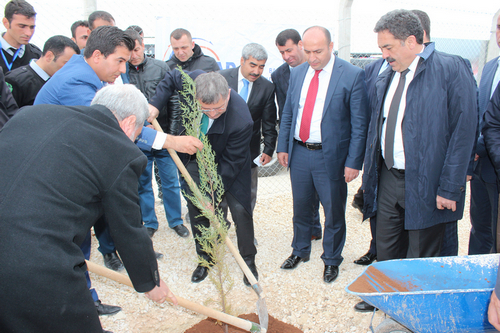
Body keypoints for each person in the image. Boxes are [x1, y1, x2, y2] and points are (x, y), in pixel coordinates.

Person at [34, 25, 202, 316]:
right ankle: (80, 307)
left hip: (71, 167)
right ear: (97, 55)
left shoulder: (87, 71)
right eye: (120, 61)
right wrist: (171, 141)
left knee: (79, 243)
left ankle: (86, 300)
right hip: (53, 179)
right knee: (73, 244)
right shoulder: (77, 83)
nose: (124, 68)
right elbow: (111, 129)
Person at [0, 84, 179, 333]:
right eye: (138, 134)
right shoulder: (120, 151)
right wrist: (150, 282)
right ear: (129, 123)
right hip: (32, 263)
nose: (135, 140)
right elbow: (127, 228)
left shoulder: (31, 114)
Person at [359, 8, 477, 309]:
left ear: (411, 41)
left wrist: (450, 188)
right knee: (385, 246)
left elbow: (463, 132)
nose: (384, 54)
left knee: (422, 251)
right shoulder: (389, 74)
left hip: (427, 181)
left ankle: (417, 308)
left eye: (388, 47)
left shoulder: (451, 69)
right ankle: (386, 299)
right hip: (388, 177)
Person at [276, 26, 369, 283]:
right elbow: (288, 113)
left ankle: (331, 259)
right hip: (300, 152)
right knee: (301, 206)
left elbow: (360, 124)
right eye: (307, 51)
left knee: (333, 211)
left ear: (331, 46)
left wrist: (353, 162)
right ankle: (300, 250)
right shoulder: (297, 73)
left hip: (333, 157)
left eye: (318, 51)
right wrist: (283, 146)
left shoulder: (352, 75)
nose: (312, 57)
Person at [149, 70, 258, 286]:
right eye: (205, 109)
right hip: (194, 157)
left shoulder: (241, 120)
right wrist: (155, 104)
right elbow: (171, 78)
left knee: (240, 211)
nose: (212, 114)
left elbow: (230, 166)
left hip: (229, 163)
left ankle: (248, 260)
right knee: (197, 208)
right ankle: (205, 259)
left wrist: (213, 194)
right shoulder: (196, 80)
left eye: (218, 108)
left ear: (227, 94)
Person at [125, 29, 189, 239]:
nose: (133, 55)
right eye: (129, 51)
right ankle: (150, 222)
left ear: (143, 46)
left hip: (163, 137)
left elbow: (173, 101)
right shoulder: (121, 72)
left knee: (170, 181)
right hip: (138, 139)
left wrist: (169, 135)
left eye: (136, 49)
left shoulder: (160, 68)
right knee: (143, 183)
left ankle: (176, 221)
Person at [272, 28, 322, 241]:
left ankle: (316, 227)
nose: (286, 57)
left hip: (321, 141)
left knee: (321, 190)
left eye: (289, 50)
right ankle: (311, 230)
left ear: (301, 45)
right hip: (298, 142)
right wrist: (282, 146)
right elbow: (285, 113)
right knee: (303, 192)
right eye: (282, 52)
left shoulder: (323, 67)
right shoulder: (279, 75)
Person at [219, 43, 277, 215]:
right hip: (221, 149)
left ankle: (246, 231)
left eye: (261, 67)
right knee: (218, 192)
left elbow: (269, 122)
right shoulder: (221, 79)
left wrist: (268, 149)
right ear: (242, 60)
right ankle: (219, 229)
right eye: (253, 65)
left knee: (248, 193)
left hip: (248, 151)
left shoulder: (267, 88)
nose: (257, 71)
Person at [469, 12, 500, 255]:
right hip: (482, 166)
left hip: (495, 161)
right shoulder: (490, 67)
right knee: (479, 228)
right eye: (499, 27)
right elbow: (481, 114)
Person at [5, 35, 79, 107]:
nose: (70, 69)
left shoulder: (63, 81)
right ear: (49, 56)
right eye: (67, 63)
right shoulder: (16, 81)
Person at [0, 0, 41, 73]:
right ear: (6, 23)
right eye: (22, 26)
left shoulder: (36, 56)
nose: (28, 33)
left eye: (32, 27)